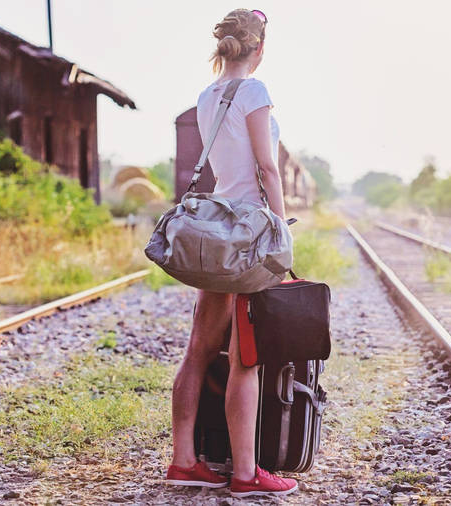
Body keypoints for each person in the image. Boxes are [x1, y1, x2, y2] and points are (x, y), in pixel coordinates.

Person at [164, 8, 298, 498]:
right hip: (249, 239)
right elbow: (267, 166)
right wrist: (281, 230)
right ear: (259, 49)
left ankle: (183, 461)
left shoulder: (206, 95)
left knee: (198, 351)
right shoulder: (255, 92)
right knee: (246, 359)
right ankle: (245, 474)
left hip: (217, 232)